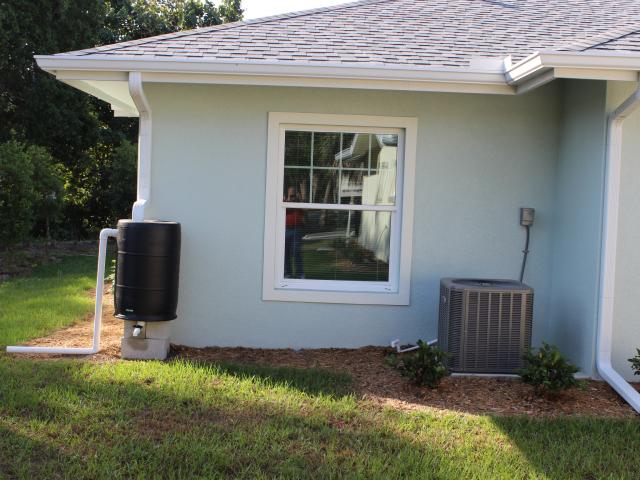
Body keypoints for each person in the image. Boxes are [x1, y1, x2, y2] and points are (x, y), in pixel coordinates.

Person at [284, 186, 304, 278]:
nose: (292, 197)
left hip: (297, 229)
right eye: (290, 194)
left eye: (293, 194)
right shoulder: (284, 202)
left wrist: (299, 201)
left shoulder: (298, 203)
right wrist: (287, 201)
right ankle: (287, 273)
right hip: (285, 230)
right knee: (286, 252)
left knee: (296, 252)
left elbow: (304, 211)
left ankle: (300, 273)